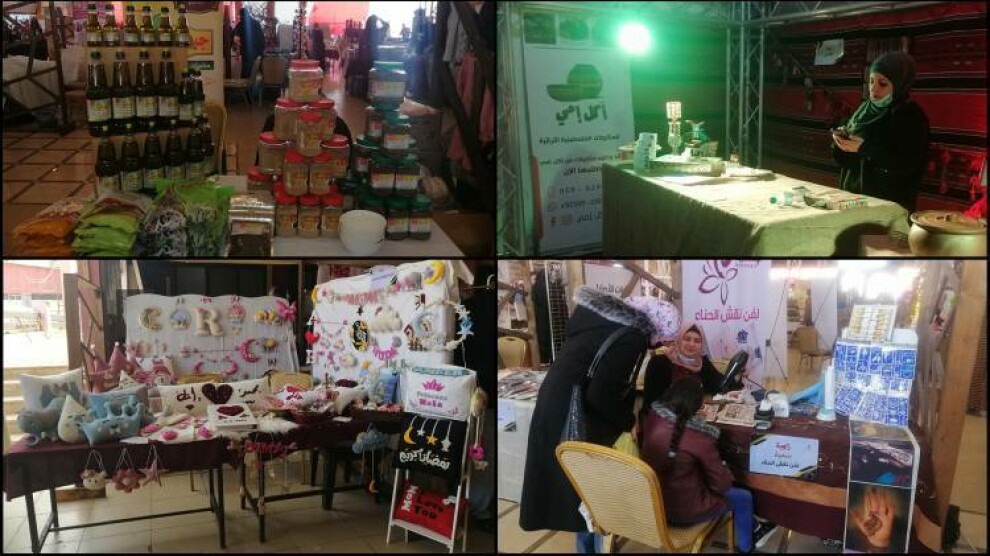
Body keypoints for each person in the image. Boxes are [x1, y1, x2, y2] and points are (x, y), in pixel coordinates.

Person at [519, 287, 661, 553]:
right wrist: (628, 420)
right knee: (592, 490)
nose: (659, 344)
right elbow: (601, 394)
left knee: (581, 488)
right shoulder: (631, 337)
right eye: (663, 337)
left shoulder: (598, 323)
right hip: (579, 415)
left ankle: (587, 547)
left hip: (557, 407)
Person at [640, 378, 777, 553]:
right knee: (743, 497)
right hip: (687, 511)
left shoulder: (652, 419)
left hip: (656, 505)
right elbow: (722, 485)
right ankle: (746, 547)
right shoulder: (699, 437)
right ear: (696, 407)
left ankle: (756, 526)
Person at [831, 51, 929, 213]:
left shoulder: (910, 116)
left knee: (875, 232)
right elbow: (849, 162)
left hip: (887, 204)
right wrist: (841, 143)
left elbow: (907, 165)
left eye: (882, 84)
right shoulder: (865, 110)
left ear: (900, 84)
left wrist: (863, 148)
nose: (873, 89)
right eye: (871, 81)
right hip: (853, 199)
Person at [642, 323, 724, 411]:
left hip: (692, 414)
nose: (692, 344)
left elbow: (720, 384)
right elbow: (653, 401)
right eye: (687, 339)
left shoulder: (701, 362)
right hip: (663, 416)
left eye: (697, 341)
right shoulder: (660, 362)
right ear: (678, 340)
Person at [234, 7, 265, 79]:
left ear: (241, 15)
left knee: (246, 72)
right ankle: (255, 84)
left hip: (246, 52)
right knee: (257, 70)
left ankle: (246, 85)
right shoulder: (256, 23)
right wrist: (261, 51)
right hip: (257, 51)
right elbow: (262, 39)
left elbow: (236, 38)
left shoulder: (240, 24)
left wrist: (237, 49)